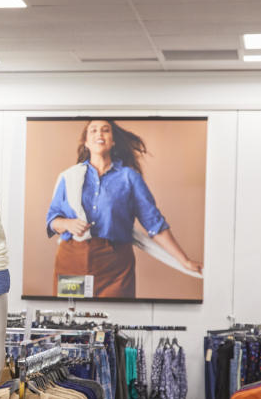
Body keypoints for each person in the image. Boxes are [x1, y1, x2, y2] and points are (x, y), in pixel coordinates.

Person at [46, 119, 202, 298]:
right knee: (71, 320)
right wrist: (67, 223)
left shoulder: (129, 178)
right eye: (93, 131)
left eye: (105, 130)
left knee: (116, 321)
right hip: (73, 261)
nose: (99, 134)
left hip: (116, 267)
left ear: (113, 141)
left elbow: (154, 223)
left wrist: (185, 260)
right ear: (86, 142)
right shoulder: (69, 177)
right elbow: (53, 220)